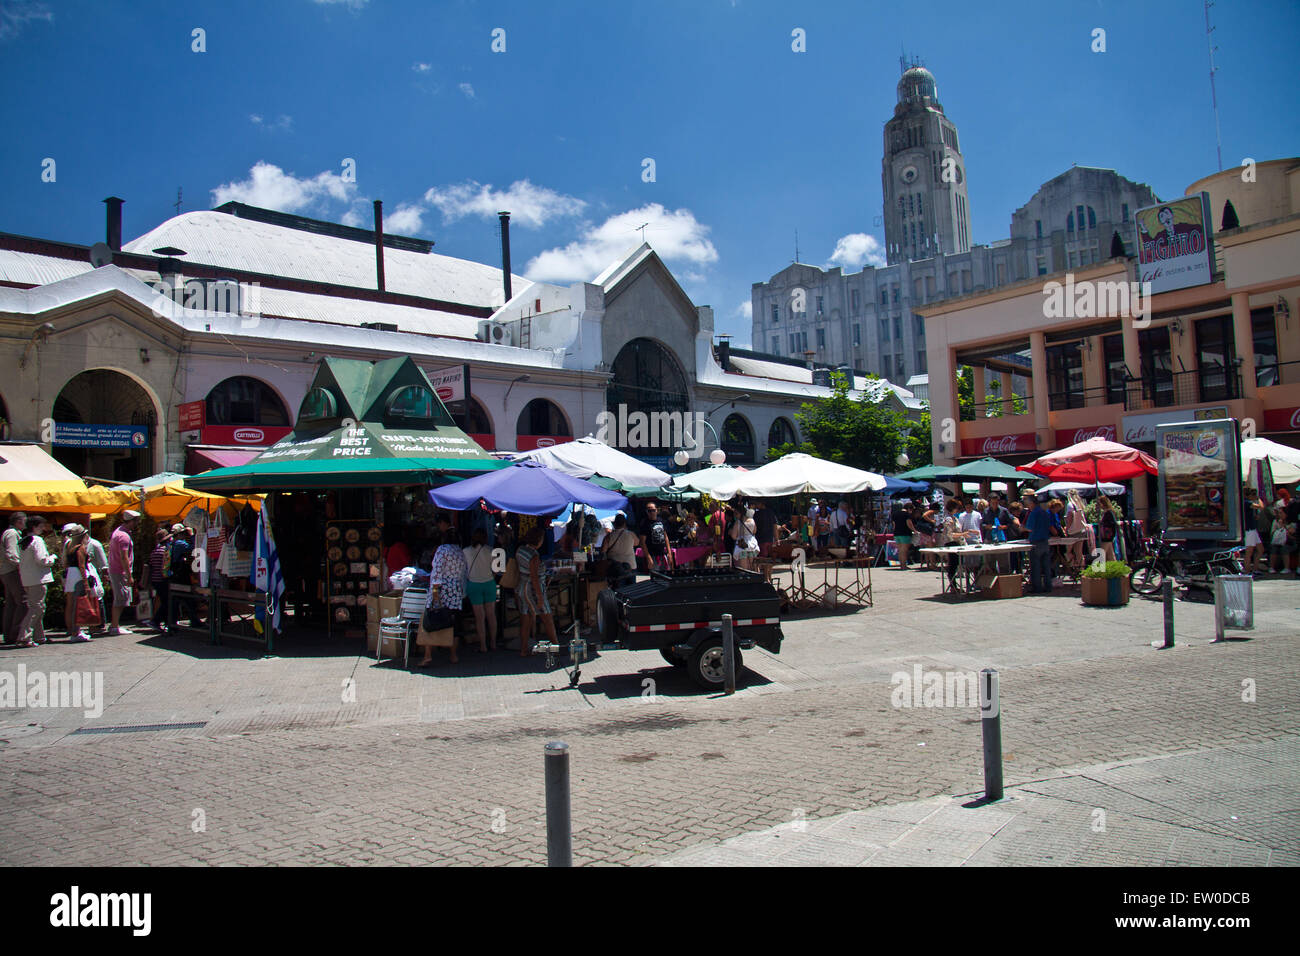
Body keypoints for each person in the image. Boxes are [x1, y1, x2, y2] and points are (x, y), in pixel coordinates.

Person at [418, 529, 467, 667]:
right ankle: (453, 655)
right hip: (456, 591)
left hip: (442, 590)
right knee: (454, 624)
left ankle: (428, 656)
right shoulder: (460, 552)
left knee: (431, 621)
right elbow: (464, 572)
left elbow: (437, 571)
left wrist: (435, 593)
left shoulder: (442, 550)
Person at [513, 525, 556, 658]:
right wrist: (540, 596)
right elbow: (535, 578)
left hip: (521, 587)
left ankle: (524, 649)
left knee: (525, 619)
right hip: (532, 590)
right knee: (547, 618)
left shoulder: (520, 550)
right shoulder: (534, 556)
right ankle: (556, 646)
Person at [17, 516, 57, 647]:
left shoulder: (23, 540)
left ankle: (39, 636)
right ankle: (24, 636)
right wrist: (52, 558)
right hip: (38, 578)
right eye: (41, 526)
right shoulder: (37, 540)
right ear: (35, 527)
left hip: (27, 579)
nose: (43, 529)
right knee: (36, 608)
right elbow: (42, 560)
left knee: (38, 607)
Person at [463, 528, 498, 652]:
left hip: (474, 584)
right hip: (489, 583)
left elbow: (464, 569)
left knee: (479, 617)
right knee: (491, 615)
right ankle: (493, 642)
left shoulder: (465, 551)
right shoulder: (491, 550)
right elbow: (496, 570)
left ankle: (483, 645)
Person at [107, 511, 140, 635]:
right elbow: (124, 557)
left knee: (120, 598)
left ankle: (114, 625)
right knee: (121, 599)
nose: (137, 524)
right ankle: (115, 626)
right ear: (131, 521)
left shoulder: (118, 532)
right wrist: (129, 575)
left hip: (116, 570)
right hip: (120, 571)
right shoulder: (124, 536)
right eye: (136, 521)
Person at [2, 512, 31, 646]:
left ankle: (9, 634)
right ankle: (16, 634)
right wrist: (22, 566)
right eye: (25, 521)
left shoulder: (10, 533)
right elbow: (11, 554)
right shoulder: (12, 534)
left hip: (6, 571)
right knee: (22, 601)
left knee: (11, 603)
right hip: (12, 571)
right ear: (19, 521)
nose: (26, 524)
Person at [1023, 494, 1061, 593]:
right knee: (1046, 566)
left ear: (1032, 503)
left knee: (1036, 566)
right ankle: (1048, 586)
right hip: (1045, 541)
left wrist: (1022, 528)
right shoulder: (1045, 513)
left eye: (1028, 503)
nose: (1027, 505)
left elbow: (1030, 528)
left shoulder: (1033, 513)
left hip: (1036, 541)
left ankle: (1037, 588)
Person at [62, 527, 94, 641]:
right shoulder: (80, 548)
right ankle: (76, 633)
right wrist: (86, 583)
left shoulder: (69, 546)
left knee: (71, 604)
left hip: (71, 574)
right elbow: (81, 566)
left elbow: (65, 563)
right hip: (78, 575)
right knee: (79, 604)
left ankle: (73, 630)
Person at [84, 522, 111, 635]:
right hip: (86, 576)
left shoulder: (95, 544)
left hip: (95, 576)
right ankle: (92, 624)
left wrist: (105, 575)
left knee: (98, 600)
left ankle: (100, 624)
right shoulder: (79, 545)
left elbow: (103, 563)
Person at [145, 528, 172, 631]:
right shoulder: (165, 551)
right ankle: (156, 621)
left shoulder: (155, 551)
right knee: (166, 602)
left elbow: (151, 565)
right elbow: (166, 567)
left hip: (155, 580)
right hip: (162, 580)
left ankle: (165, 623)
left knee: (164, 600)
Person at [600, 513, 638, 584]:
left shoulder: (609, 536)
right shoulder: (631, 534)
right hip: (631, 566)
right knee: (633, 590)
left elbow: (603, 551)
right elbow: (637, 543)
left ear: (614, 523)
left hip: (616, 568)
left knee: (618, 590)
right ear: (624, 523)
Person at [638, 503, 674, 571]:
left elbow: (665, 537)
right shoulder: (645, 523)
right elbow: (642, 542)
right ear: (646, 512)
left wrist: (669, 553)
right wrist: (648, 557)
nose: (652, 512)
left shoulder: (661, 520)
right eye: (649, 511)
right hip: (652, 555)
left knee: (666, 575)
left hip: (662, 553)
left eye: (653, 510)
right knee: (656, 577)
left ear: (657, 510)